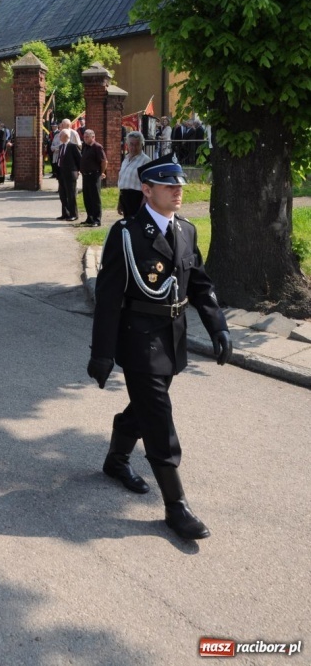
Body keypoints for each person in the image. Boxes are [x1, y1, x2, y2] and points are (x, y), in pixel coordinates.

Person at [87, 155, 233, 541]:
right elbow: (107, 299)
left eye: (180, 184)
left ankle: (116, 459)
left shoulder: (186, 230)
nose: (178, 189)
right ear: (147, 190)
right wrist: (101, 353)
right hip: (139, 339)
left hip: (173, 336)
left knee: (147, 408)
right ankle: (176, 507)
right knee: (158, 416)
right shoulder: (126, 234)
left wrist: (217, 325)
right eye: (168, 184)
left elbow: (199, 281)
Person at [117, 130, 150, 218]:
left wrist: (144, 202)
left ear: (141, 145)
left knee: (136, 226)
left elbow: (148, 184)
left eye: (137, 144)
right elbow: (123, 182)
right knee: (128, 225)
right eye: (131, 144)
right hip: (125, 196)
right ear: (127, 144)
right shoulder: (126, 159)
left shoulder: (145, 160)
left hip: (137, 198)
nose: (134, 147)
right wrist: (120, 202)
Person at [80, 129, 107, 226]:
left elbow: (104, 162)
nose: (85, 138)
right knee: (87, 197)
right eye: (84, 137)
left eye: (87, 137)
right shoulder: (85, 147)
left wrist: (101, 173)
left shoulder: (97, 147)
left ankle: (97, 219)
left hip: (94, 175)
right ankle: (89, 218)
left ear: (93, 137)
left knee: (95, 198)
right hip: (86, 175)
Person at [55, 129, 81, 222]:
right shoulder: (61, 146)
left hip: (70, 173)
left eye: (60, 135)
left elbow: (79, 159)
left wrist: (78, 170)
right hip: (61, 174)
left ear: (65, 136)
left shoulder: (73, 147)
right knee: (63, 195)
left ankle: (73, 214)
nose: (59, 137)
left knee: (71, 195)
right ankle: (65, 213)